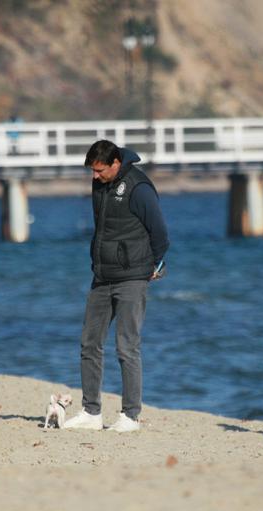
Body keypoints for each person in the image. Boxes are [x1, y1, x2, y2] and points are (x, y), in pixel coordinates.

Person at [64, 140, 169, 432]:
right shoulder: (99, 184)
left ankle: (130, 416)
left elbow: (160, 232)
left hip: (133, 277)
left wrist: (156, 264)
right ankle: (91, 412)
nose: (94, 176)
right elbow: (102, 229)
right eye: (92, 171)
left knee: (127, 347)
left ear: (115, 164)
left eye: (99, 170)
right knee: (89, 343)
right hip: (102, 276)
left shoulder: (139, 187)